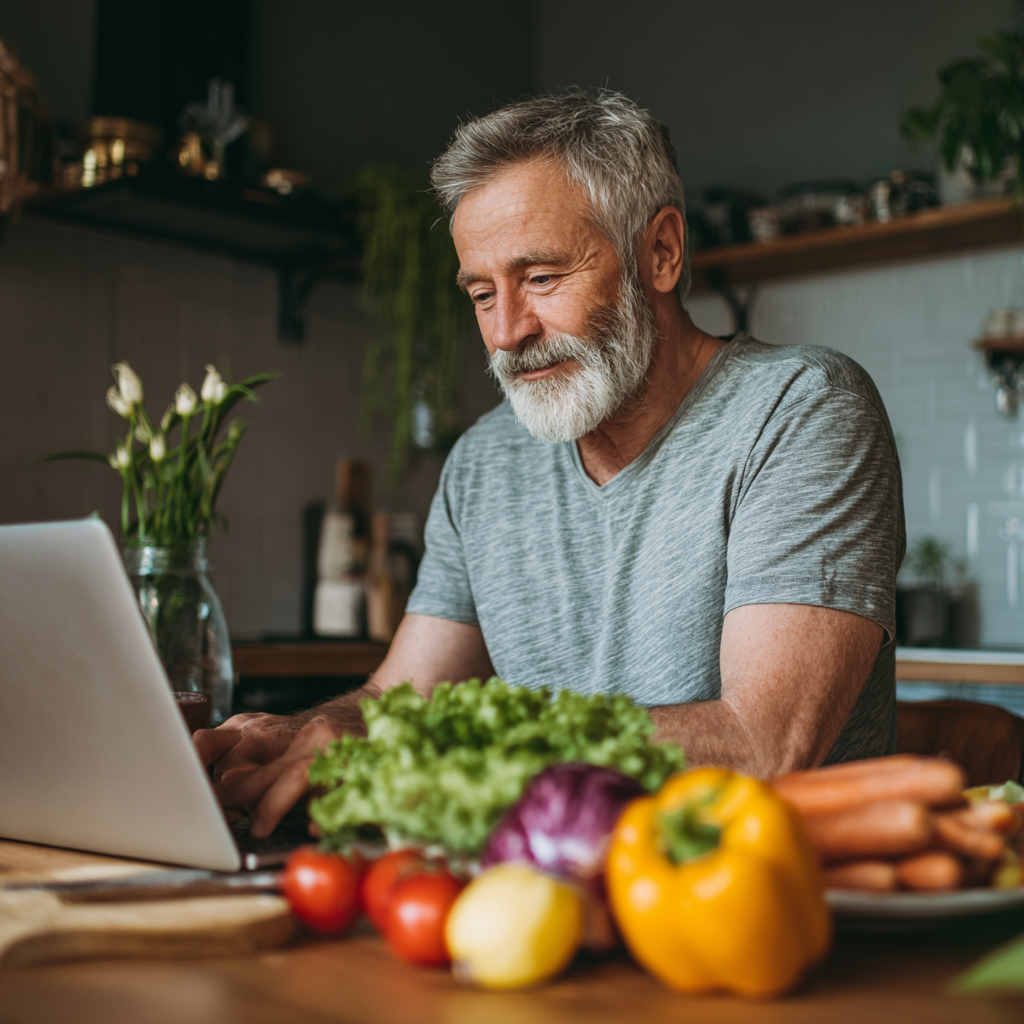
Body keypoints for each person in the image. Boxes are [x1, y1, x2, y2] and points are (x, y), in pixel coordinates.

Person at [195, 90, 905, 837]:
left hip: (761, 912)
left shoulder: (802, 408)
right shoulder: (483, 462)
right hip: (549, 900)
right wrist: (302, 730)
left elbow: (762, 746)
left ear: (660, 252)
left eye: (541, 278)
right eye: (480, 292)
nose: (505, 332)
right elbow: (400, 696)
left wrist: (412, 749)